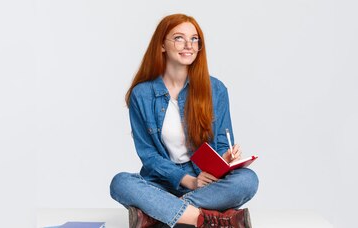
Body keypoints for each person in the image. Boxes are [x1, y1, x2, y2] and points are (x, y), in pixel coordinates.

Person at [110, 13, 259, 228]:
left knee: (247, 180)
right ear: (162, 45)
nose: (189, 45)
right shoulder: (141, 94)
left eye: (195, 39)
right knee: (120, 183)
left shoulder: (215, 89)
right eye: (179, 38)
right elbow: (149, 156)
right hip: (161, 182)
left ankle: (158, 215)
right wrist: (188, 181)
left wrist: (224, 160)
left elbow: (222, 142)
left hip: (207, 181)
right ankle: (207, 219)